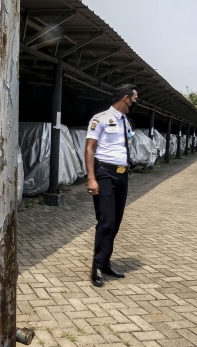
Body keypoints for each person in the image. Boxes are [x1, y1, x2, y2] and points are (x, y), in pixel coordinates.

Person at [85, 84, 137, 287]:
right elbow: (89, 149)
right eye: (135, 98)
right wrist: (91, 178)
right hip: (104, 174)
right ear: (126, 98)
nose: (136, 101)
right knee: (106, 220)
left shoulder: (126, 121)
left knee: (115, 222)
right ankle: (97, 266)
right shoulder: (101, 119)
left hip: (123, 176)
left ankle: (105, 262)